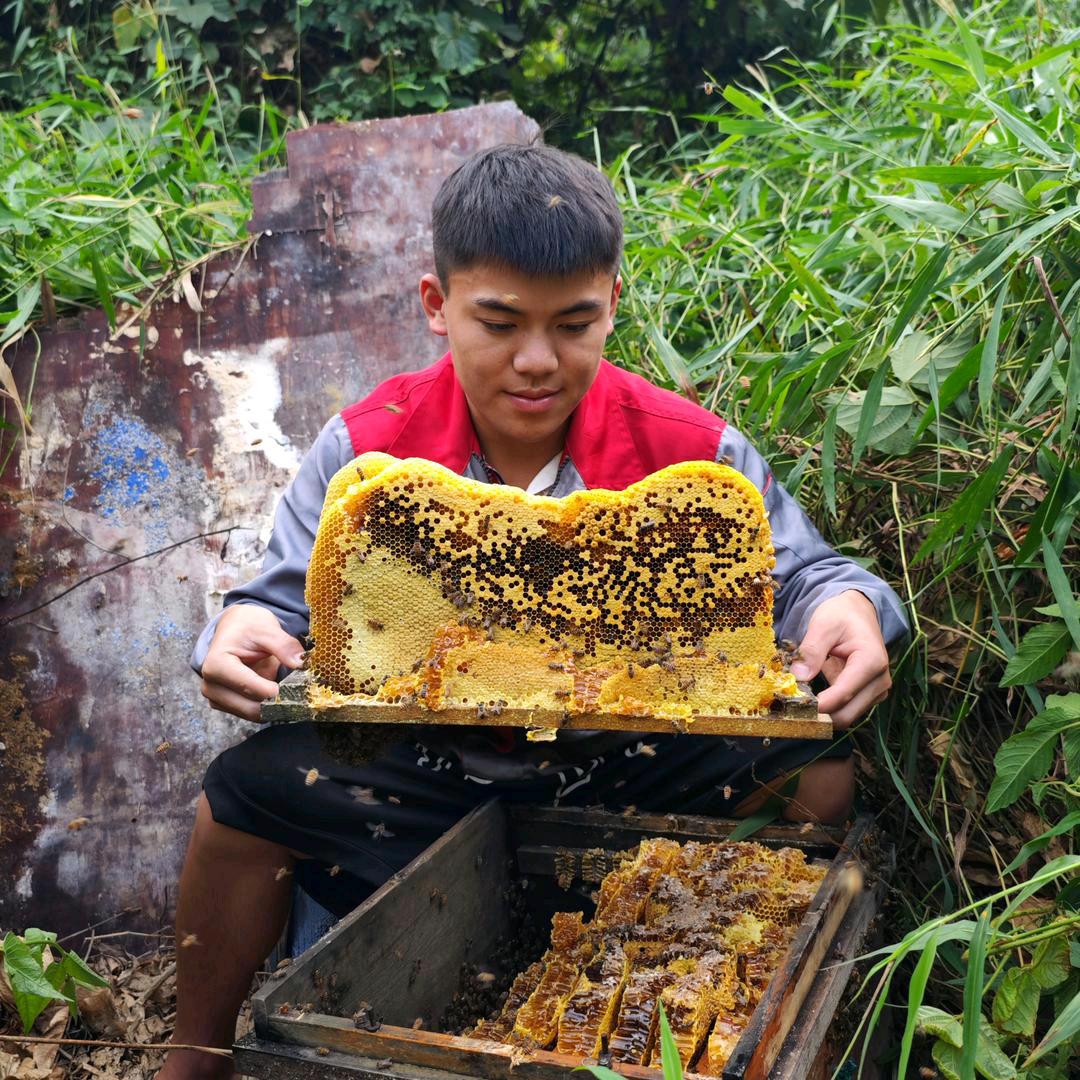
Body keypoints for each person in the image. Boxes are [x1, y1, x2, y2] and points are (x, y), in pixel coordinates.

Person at [159, 144, 907, 1079]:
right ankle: (194, 1056)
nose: (537, 360)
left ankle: (735, 1018)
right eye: (500, 322)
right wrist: (237, 632)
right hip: (424, 764)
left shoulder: (693, 453)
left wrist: (852, 607)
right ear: (437, 304)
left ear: (613, 304)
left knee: (816, 769)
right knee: (244, 795)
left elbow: (807, 576)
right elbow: (278, 605)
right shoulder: (367, 449)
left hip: (629, 759)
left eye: (573, 323)